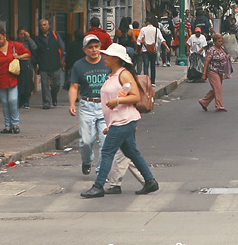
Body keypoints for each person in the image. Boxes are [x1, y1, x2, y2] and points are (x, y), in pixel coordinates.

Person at [79, 44, 159, 198]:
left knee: (107, 151)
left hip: (124, 120)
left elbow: (135, 96)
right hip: (120, 121)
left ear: (116, 59)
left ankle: (98, 185)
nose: (104, 57)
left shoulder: (124, 74)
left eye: (108, 55)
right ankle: (150, 181)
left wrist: (117, 101)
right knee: (132, 152)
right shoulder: (113, 75)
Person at [68, 34, 109, 176]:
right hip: (87, 105)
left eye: (96, 47)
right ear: (84, 49)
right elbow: (74, 86)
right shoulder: (79, 65)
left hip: (105, 106)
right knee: (86, 141)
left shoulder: (107, 62)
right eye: (90, 47)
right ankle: (87, 161)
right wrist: (72, 103)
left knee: (105, 141)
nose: (94, 50)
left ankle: (100, 172)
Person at [0, 26, 29, 135]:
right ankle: (7, 126)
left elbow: (28, 54)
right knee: (4, 102)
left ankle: (15, 124)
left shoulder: (14, 46)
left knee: (12, 101)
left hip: (12, 79)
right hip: (0, 80)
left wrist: (18, 56)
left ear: (5, 36)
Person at [35, 18, 66, 110]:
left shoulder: (55, 35)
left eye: (44, 25)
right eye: (41, 25)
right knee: (45, 85)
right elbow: (36, 52)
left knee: (56, 84)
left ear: (48, 26)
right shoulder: (37, 38)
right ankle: (46, 103)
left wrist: (63, 58)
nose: (43, 27)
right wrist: (37, 64)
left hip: (55, 63)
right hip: (43, 64)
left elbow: (62, 46)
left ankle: (54, 96)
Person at [198, 33, 233, 113]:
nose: (221, 43)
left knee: (216, 89)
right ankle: (219, 106)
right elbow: (207, 62)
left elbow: (223, 57)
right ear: (214, 42)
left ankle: (204, 102)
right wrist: (204, 74)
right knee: (218, 88)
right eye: (219, 41)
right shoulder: (212, 50)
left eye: (221, 41)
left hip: (220, 72)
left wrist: (227, 57)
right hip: (213, 71)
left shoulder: (222, 49)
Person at [15, 27, 37, 110]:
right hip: (18, 66)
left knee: (28, 84)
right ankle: (19, 101)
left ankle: (26, 102)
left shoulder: (29, 42)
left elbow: (35, 48)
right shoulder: (15, 42)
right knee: (19, 84)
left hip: (28, 65)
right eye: (21, 34)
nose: (22, 36)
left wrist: (29, 38)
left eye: (24, 34)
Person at [137, 17, 161, 85]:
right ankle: (153, 82)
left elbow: (139, 40)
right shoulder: (157, 30)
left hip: (145, 50)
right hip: (154, 50)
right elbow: (161, 39)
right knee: (153, 66)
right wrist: (167, 47)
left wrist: (138, 50)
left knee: (146, 65)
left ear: (147, 22)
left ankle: (146, 81)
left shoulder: (143, 29)